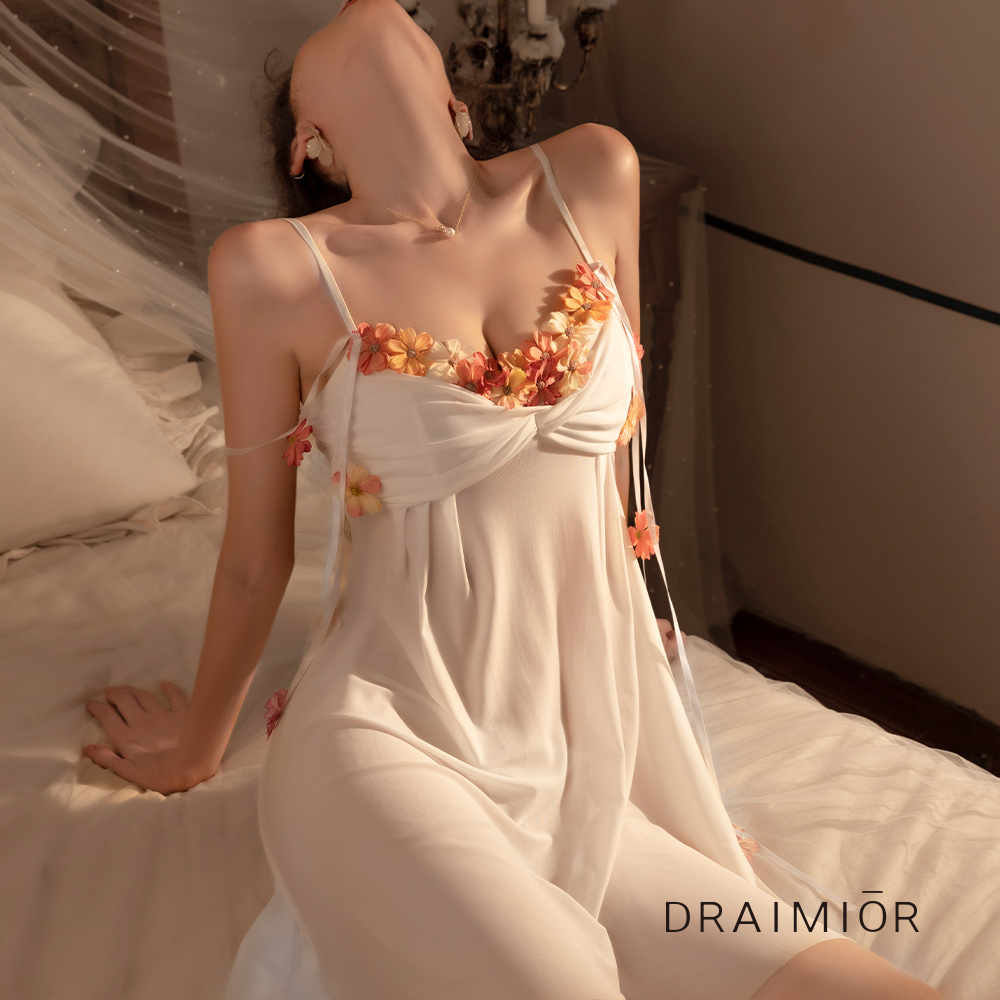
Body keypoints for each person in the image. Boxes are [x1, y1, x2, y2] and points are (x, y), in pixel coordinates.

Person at [82, 1, 949, 997]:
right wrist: (193, 752)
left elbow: (625, 470)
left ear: (452, 96)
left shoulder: (593, 172)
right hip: (382, 738)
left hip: (586, 749)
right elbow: (254, 560)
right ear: (309, 143)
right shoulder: (273, 267)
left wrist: (646, 688)